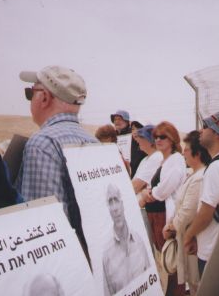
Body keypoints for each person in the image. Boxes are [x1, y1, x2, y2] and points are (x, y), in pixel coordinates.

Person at [15, 65, 98, 264]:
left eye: (30, 92)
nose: (30, 99)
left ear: (44, 97)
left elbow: (44, 230)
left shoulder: (42, 143)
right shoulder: (93, 142)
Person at [183, 111, 219, 277]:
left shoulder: (216, 168)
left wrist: (189, 235)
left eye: (205, 127)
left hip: (211, 253)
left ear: (218, 134)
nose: (201, 131)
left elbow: (205, 214)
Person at [139, 121, 186, 295]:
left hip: (164, 215)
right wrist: (149, 192)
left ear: (172, 139)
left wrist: (148, 194)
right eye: (156, 137)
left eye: (163, 137)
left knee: (170, 259)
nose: (158, 140)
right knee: (164, 259)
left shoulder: (175, 159)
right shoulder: (165, 160)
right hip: (157, 215)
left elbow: (164, 189)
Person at [162, 131, 211, 296]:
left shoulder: (200, 178)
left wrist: (170, 227)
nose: (183, 152)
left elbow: (187, 212)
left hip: (192, 241)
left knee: (197, 284)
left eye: (187, 149)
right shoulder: (193, 175)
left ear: (197, 153)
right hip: (187, 239)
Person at [102, 183, 150, 296]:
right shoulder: (107, 256)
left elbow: (150, 278)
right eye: (110, 202)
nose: (114, 208)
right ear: (108, 209)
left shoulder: (139, 241)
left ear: (122, 204)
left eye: (116, 200)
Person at [110, 110, 146, 178]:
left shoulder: (134, 134)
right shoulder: (112, 136)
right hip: (118, 171)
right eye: (115, 119)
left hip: (135, 172)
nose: (116, 122)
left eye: (120, 119)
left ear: (127, 122)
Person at [132, 125, 163, 194]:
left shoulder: (156, 157)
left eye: (141, 137)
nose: (138, 139)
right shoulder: (145, 159)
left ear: (150, 141)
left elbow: (136, 186)